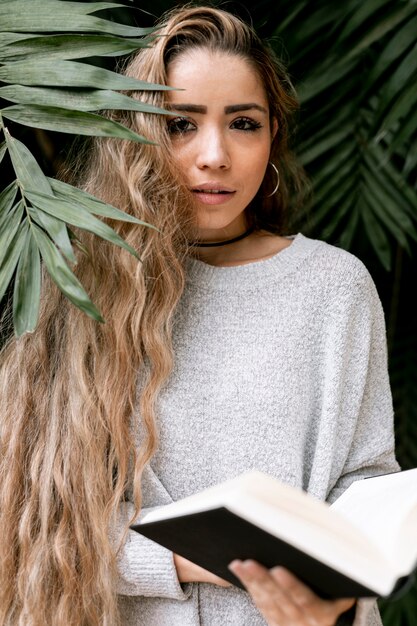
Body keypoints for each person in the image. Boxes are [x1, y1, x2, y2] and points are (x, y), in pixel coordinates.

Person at [0, 5, 400, 626]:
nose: (214, 154)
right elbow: (35, 518)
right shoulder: (78, 287)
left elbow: (365, 485)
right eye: (180, 124)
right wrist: (201, 561)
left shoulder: (332, 286)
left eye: (243, 123)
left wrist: (337, 598)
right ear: (134, 132)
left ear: (273, 137)